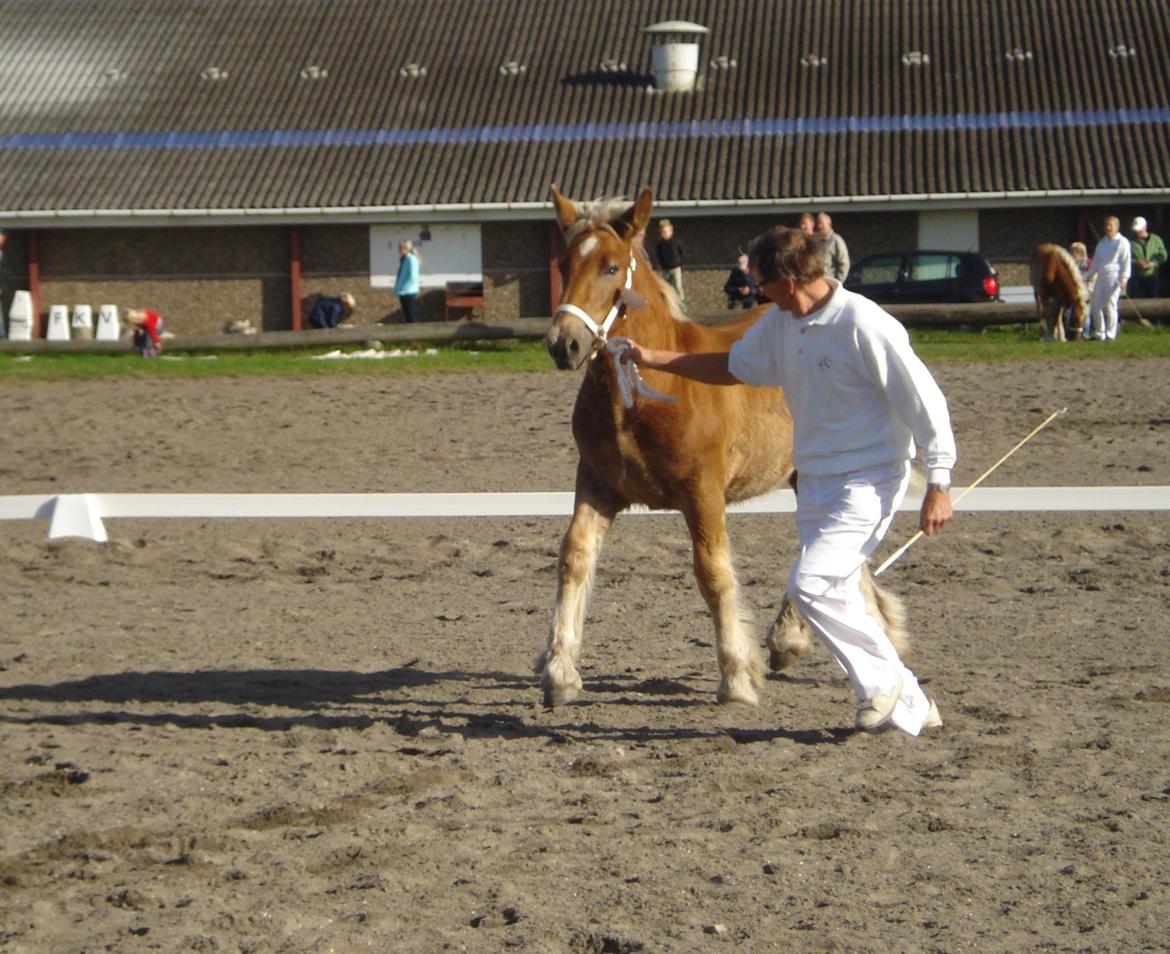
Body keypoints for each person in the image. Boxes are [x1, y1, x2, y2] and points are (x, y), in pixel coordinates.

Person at [621, 226, 955, 736]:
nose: (757, 294)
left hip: (869, 479)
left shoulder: (864, 323)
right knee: (836, 594)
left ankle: (879, 688)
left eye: (763, 284)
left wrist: (939, 480)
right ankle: (911, 701)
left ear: (792, 280)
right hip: (816, 481)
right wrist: (653, 358)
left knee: (810, 584)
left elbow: (924, 400)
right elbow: (731, 366)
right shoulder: (782, 324)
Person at [1086, 216, 1132, 341]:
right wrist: (1086, 276)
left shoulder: (1122, 242)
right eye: (1106, 225)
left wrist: (1124, 278)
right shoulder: (1102, 243)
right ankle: (1100, 333)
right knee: (1096, 306)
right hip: (1102, 275)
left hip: (1115, 276)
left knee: (1111, 304)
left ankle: (1111, 334)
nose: (1108, 228)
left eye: (1111, 225)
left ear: (1117, 227)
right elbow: (1096, 263)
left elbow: (1126, 262)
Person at [1129, 216, 1166, 299]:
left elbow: (1163, 254)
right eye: (1135, 230)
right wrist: (1136, 263)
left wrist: (1153, 263)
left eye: (1139, 230)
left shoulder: (1156, 239)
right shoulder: (1130, 242)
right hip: (1137, 278)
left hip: (1153, 277)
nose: (1137, 232)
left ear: (1145, 227)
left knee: (1154, 300)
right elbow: (1126, 258)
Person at [654, 219, 686, 302]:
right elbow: (658, 255)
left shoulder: (676, 242)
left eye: (665, 232)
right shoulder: (660, 245)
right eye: (662, 232)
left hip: (675, 268)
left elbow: (682, 253)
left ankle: (681, 301)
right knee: (666, 287)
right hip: (665, 269)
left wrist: (680, 263)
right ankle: (669, 302)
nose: (664, 234)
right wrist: (660, 265)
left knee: (677, 286)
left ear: (671, 231)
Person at [814, 212, 850, 281]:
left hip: (831, 284)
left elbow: (844, 264)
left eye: (821, 224)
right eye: (818, 223)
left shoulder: (836, 240)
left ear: (829, 224)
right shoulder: (816, 242)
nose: (819, 226)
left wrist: (838, 282)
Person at [1068, 241, 1093, 338]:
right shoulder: (1069, 265)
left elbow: (1093, 279)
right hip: (1073, 294)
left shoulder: (1089, 264)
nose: (1073, 254)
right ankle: (1070, 334)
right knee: (1070, 314)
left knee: (1086, 315)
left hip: (1086, 293)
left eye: (1076, 252)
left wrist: (1089, 291)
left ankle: (1085, 333)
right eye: (1072, 252)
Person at [395, 241, 421, 323]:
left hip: (409, 292)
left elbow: (413, 277)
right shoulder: (405, 259)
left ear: (405, 248)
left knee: (410, 315)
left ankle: (414, 334)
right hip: (404, 292)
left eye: (400, 248)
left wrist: (403, 287)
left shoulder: (411, 259)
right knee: (407, 315)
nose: (399, 250)